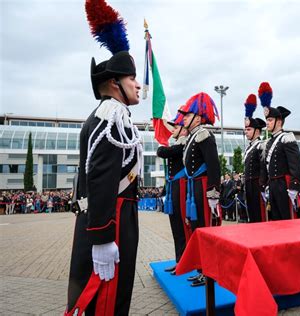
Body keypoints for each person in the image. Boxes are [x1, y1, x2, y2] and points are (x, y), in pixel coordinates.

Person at [66, 2, 143, 314]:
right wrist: (102, 237)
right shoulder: (112, 115)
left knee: (113, 295)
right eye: (131, 78)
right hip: (112, 218)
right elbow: (99, 176)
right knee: (107, 301)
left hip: (112, 216)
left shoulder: (111, 114)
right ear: (115, 84)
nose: (138, 84)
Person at [179, 92, 221, 287]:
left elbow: (214, 165)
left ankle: (209, 271)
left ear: (197, 117)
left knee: (205, 228)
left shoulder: (204, 134)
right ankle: (201, 269)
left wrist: (213, 192)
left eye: (187, 115)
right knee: (197, 228)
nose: (184, 118)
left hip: (203, 187)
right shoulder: (193, 136)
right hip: (193, 186)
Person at [259, 83, 300, 220]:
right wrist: (263, 184)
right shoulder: (269, 142)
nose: (267, 123)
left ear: (279, 121)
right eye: (267, 120)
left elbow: (295, 164)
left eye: (270, 120)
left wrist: (294, 185)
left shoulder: (287, 137)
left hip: (284, 184)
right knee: (275, 219)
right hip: (272, 185)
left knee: (287, 218)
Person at [157, 118, 190, 275]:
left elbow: (162, 152)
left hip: (182, 186)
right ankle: (179, 260)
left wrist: (163, 141)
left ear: (184, 130)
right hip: (174, 187)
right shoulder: (178, 144)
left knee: (182, 226)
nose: (173, 130)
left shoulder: (184, 144)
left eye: (176, 127)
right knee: (175, 225)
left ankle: (185, 260)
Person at [243, 94, 267, 222]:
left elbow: (264, 168)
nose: (246, 132)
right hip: (249, 185)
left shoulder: (261, 145)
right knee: (251, 216)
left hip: (257, 185)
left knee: (259, 216)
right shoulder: (249, 148)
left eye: (248, 129)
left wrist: (263, 186)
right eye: (245, 129)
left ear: (257, 131)